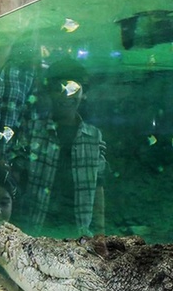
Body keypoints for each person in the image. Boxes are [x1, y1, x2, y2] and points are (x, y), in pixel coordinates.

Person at [12, 57, 107, 237]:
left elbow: (98, 184)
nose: (66, 95)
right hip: (37, 228)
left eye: (73, 89)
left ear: (83, 93)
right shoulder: (33, 129)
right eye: (58, 88)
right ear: (49, 92)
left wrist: (100, 234)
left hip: (78, 232)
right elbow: (17, 176)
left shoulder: (94, 136)